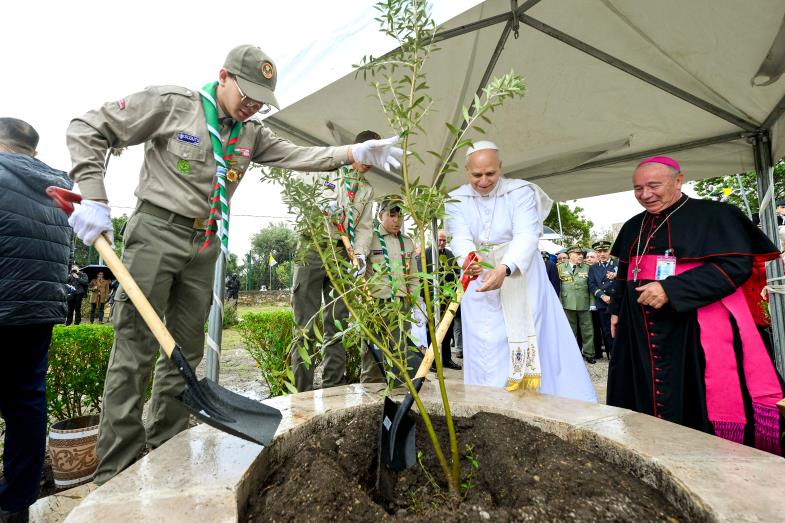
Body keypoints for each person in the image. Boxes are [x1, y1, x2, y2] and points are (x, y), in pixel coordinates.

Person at [65, 44, 403, 485]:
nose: (254, 105)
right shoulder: (174, 105)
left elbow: (302, 156)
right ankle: (118, 470)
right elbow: (87, 126)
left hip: (205, 244)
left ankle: (166, 446)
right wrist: (92, 192)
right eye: (248, 93)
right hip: (156, 232)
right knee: (136, 349)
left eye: (262, 99)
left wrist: (355, 154)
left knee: (184, 352)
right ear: (224, 76)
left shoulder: (251, 133)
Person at [608, 155, 784, 455]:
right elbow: (626, 273)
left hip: (693, 329)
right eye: (638, 188)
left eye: (653, 185)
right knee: (643, 399)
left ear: (679, 180)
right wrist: (616, 311)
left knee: (693, 399)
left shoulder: (715, 215)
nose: (645, 194)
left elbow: (735, 267)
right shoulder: (633, 226)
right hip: (639, 330)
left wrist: (672, 289)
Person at [445, 141, 595, 402]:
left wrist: (506, 267)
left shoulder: (521, 191)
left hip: (521, 274)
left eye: (490, 174)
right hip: (478, 274)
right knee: (485, 343)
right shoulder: (456, 198)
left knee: (531, 336)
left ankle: (532, 398)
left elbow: (527, 234)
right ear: (467, 171)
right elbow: (458, 235)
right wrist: (469, 259)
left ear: (500, 168)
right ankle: (488, 398)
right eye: (476, 175)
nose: (483, 181)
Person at [0, 118, 72, 521]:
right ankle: (16, 505)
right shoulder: (57, 189)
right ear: (35, 152)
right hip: (37, 313)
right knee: (27, 404)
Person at [290, 130, 380, 392]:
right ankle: (301, 393)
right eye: (366, 152)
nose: (369, 160)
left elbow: (364, 227)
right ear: (354, 148)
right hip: (313, 246)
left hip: (343, 255)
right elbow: (301, 186)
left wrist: (360, 255)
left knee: (337, 324)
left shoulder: (366, 189)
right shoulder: (328, 168)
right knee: (305, 324)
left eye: (375, 156)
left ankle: (333, 390)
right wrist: (319, 204)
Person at [360, 196, 418, 382]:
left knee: (400, 355)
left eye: (400, 216)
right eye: (392, 215)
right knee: (372, 358)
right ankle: (370, 399)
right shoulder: (370, 239)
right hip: (376, 306)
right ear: (380, 215)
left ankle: (399, 394)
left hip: (401, 307)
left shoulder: (408, 242)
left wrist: (416, 304)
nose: (397, 220)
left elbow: (414, 277)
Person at [422, 230, 462, 370]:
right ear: (433, 239)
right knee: (431, 330)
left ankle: (446, 359)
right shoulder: (425, 254)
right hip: (432, 299)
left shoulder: (450, 255)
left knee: (448, 329)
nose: (442, 243)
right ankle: (431, 361)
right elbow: (422, 278)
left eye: (444, 240)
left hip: (447, 299)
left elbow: (456, 274)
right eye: (440, 240)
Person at [557, 246, 596, 364]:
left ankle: (589, 354)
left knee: (587, 330)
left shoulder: (587, 268)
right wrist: (559, 303)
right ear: (570, 255)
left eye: (581, 254)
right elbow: (558, 286)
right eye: (577, 254)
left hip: (584, 303)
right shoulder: (560, 268)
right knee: (569, 330)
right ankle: (571, 354)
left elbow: (591, 286)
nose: (581, 256)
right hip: (567, 303)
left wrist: (592, 303)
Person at [588, 240, 618, 358]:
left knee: (618, 328)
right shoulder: (594, 268)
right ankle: (612, 355)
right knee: (606, 330)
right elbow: (592, 284)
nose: (602, 254)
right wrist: (602, 295)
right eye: (599, 252)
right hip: (602, 302)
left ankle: (620, 354)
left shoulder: (617, 263)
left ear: (609, 251)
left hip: (616, 302)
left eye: (605, 251)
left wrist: (616, 275)